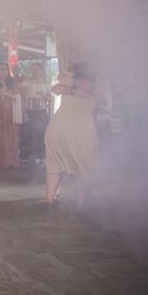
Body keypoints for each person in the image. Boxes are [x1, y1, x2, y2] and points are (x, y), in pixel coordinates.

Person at [44, 64, 105, 208]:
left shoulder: (88, 87)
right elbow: (55, 89)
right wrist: (76, 88)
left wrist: (78, 88)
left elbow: (57, 89)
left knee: (57, 165)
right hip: (77, 130)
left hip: (61, 128)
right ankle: (79, 204)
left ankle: (50, 201)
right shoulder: (79, 84)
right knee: (79, 165)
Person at [21, 62, 52, 165]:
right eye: (33, 69)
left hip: (41, 111)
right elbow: (22, 97)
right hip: (29, 110)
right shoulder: (27, 82)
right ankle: (33, 157)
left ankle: (42, 156)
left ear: (41, 70)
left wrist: (43, 95)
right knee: (31, 134)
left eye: (37, 69)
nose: (35, 71)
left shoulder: (46, 83)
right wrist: (23, 111)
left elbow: (49, 99)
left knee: (43, 134)